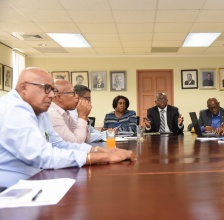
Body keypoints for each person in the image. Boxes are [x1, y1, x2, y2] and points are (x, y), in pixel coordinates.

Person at [0, 67, 135, 187]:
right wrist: (104, 157)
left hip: (36, 179)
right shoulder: (13, 110)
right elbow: (43, 156)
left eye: (52, 90)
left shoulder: (40, 111)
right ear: (24, 87)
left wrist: (103, 151)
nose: (52, 95)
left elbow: (60, 144)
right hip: (11, 190)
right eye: (46, 88)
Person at [48, 79, 91, 144]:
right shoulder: (52, 113)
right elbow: (75, 143)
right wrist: (82, 116)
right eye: (73, 93)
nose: (77, 97)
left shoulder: (66, 113)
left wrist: (85, 117)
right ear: (58, 96)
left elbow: (86, 140)